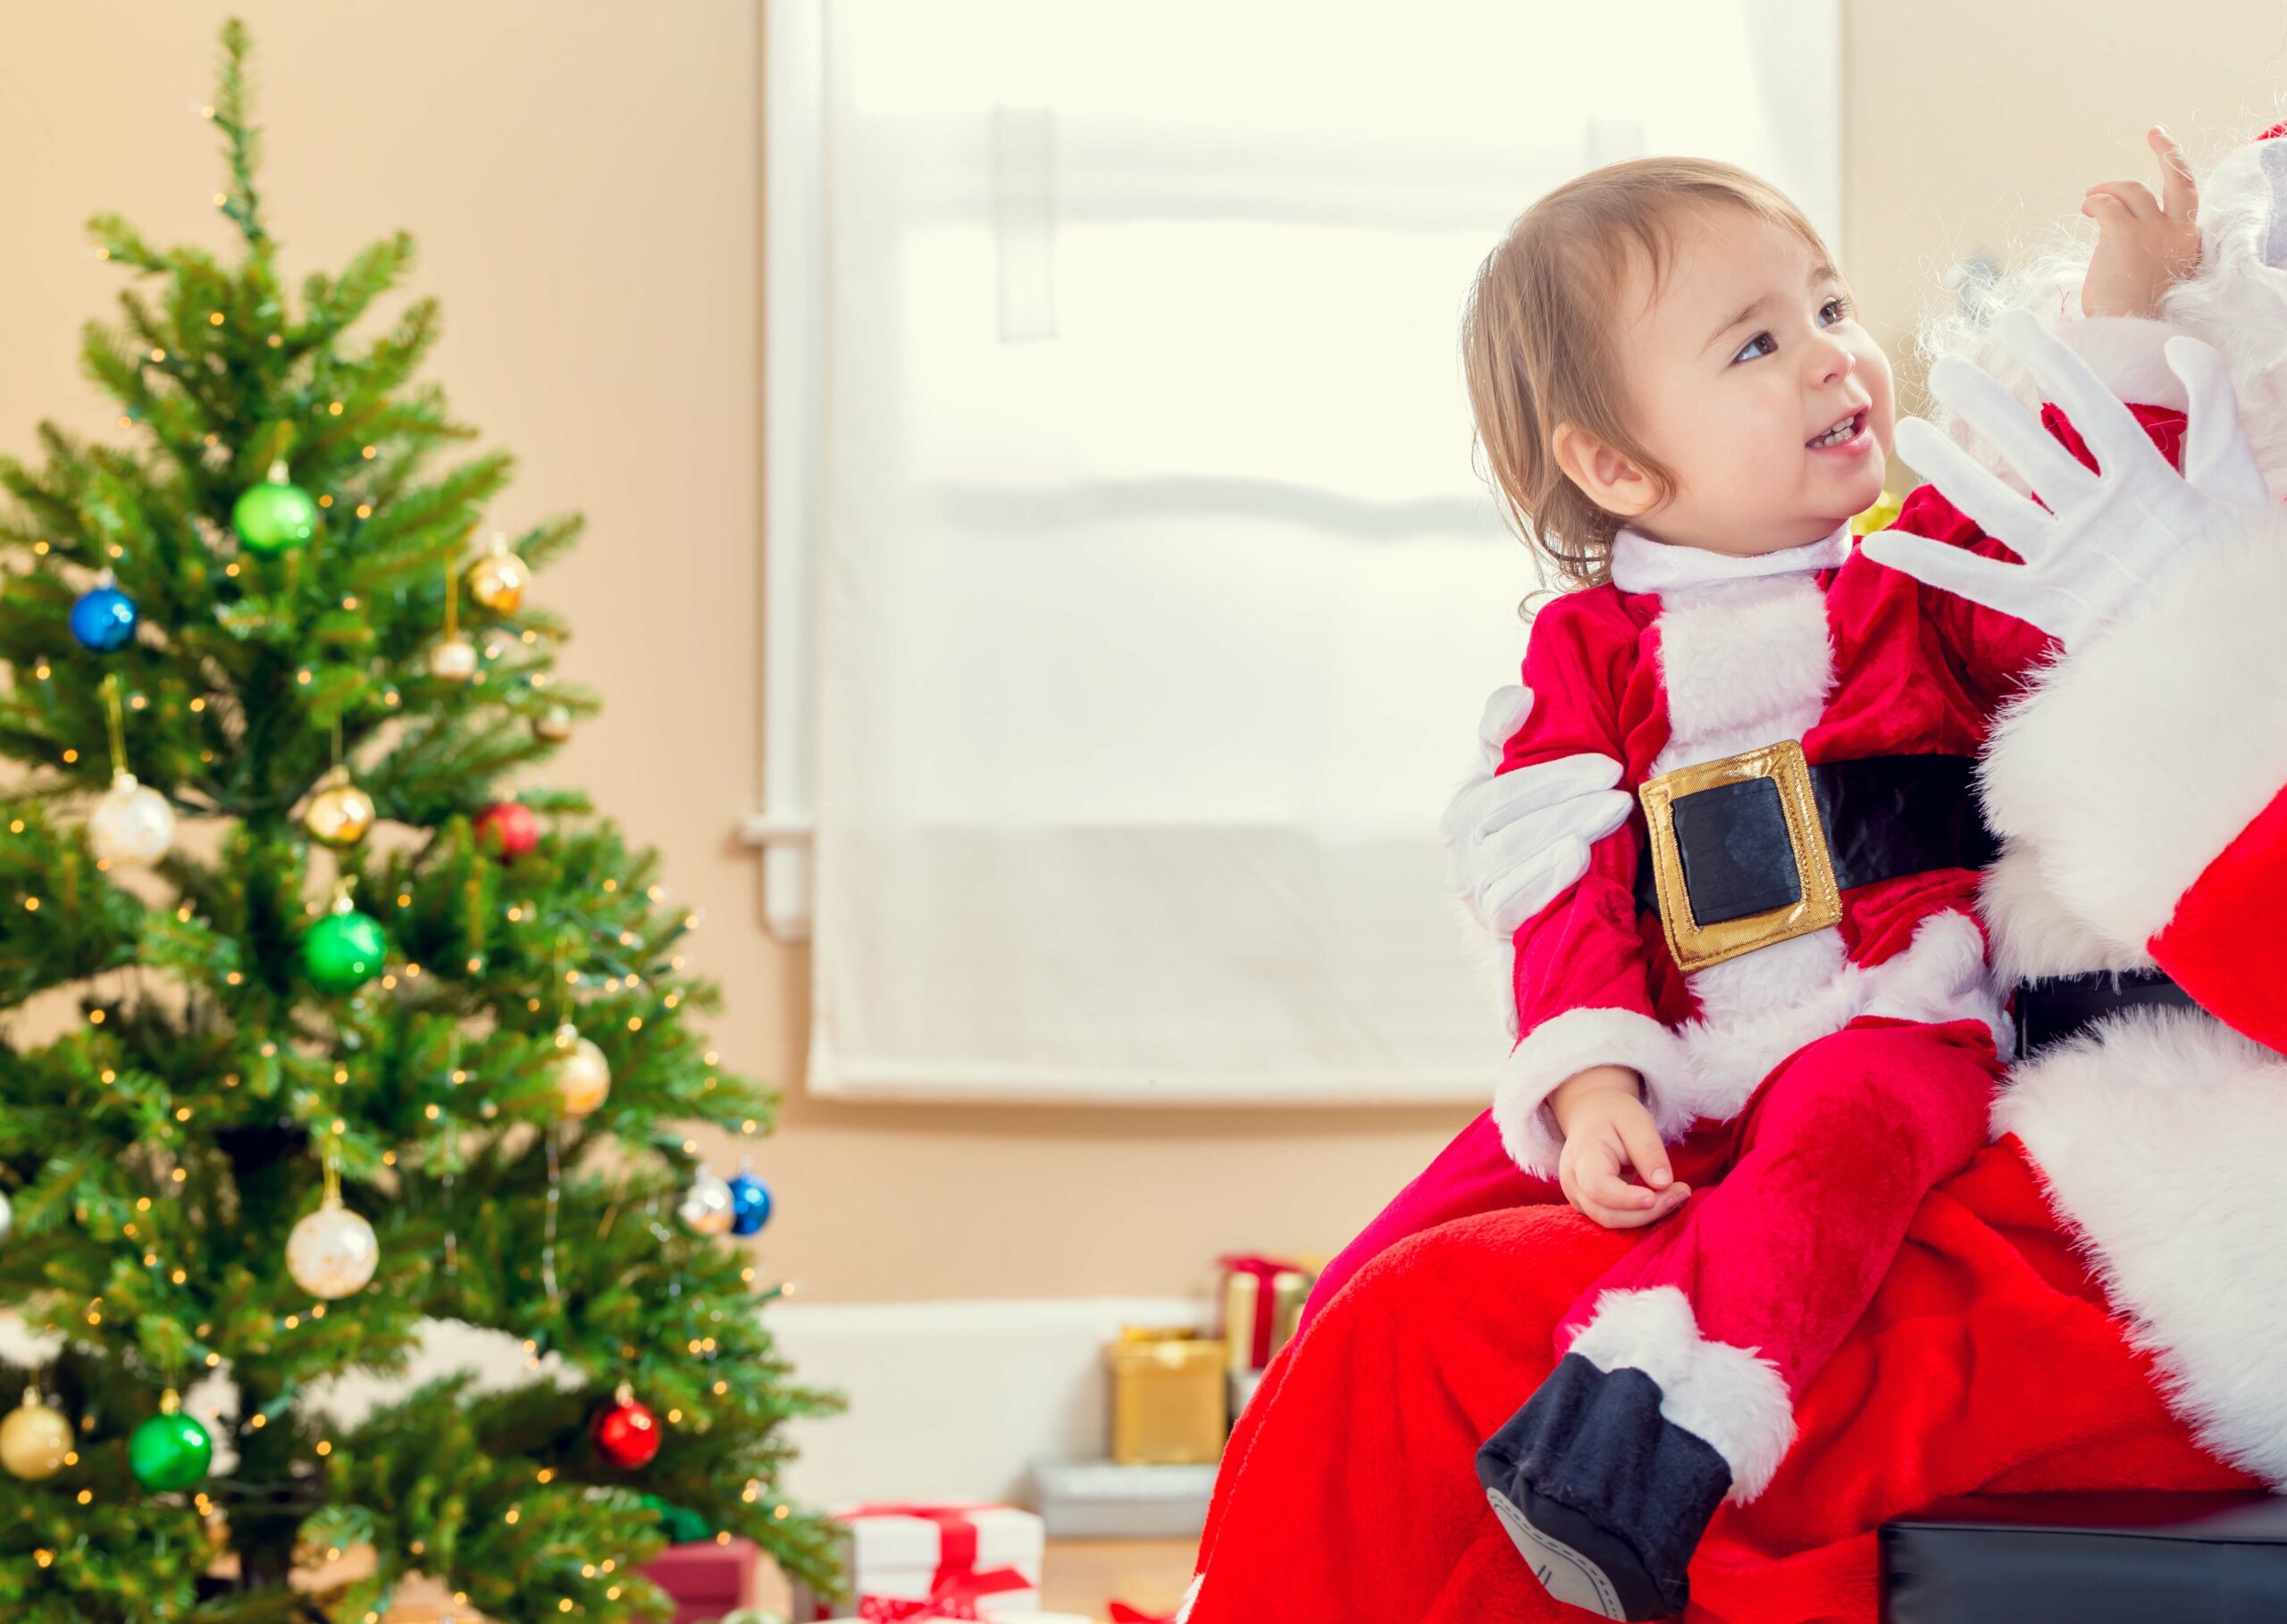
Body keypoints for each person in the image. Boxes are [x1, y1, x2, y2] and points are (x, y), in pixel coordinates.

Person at [1315, 146, 2207, 1622]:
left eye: (1829, 305)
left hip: (1893, 1012)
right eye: (1757, 342)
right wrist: (1595, 1083)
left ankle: (1652, 1450)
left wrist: (2122, 324)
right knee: (1379, 1277)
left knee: (1843, 1139)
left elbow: (2065, 552)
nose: (1831, 357)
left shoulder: (1912, 580)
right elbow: (1568, 889)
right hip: (1685, 1049)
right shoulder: (1584, 660)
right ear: (1613, 465)